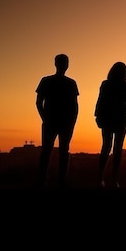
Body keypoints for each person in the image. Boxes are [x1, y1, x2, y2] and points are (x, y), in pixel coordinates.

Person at [35, 53, 79, 188]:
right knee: (59, 151)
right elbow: (74, 106)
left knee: (49, 151)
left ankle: (45, 180)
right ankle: (58, 181)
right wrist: (71, 121)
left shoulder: (47, 81)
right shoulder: (70, 83)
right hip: (60, 121)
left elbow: (38, 102)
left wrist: (45, 118)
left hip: (55, 121)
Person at [94, 61, 126, 188]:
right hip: (120, 119)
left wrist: (98, 115)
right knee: (117, 149)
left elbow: (100, 101)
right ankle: (114, 179)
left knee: (106, 147)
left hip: (107, 118)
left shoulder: (106, 84)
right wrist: (122, 105)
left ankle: (101, 178)